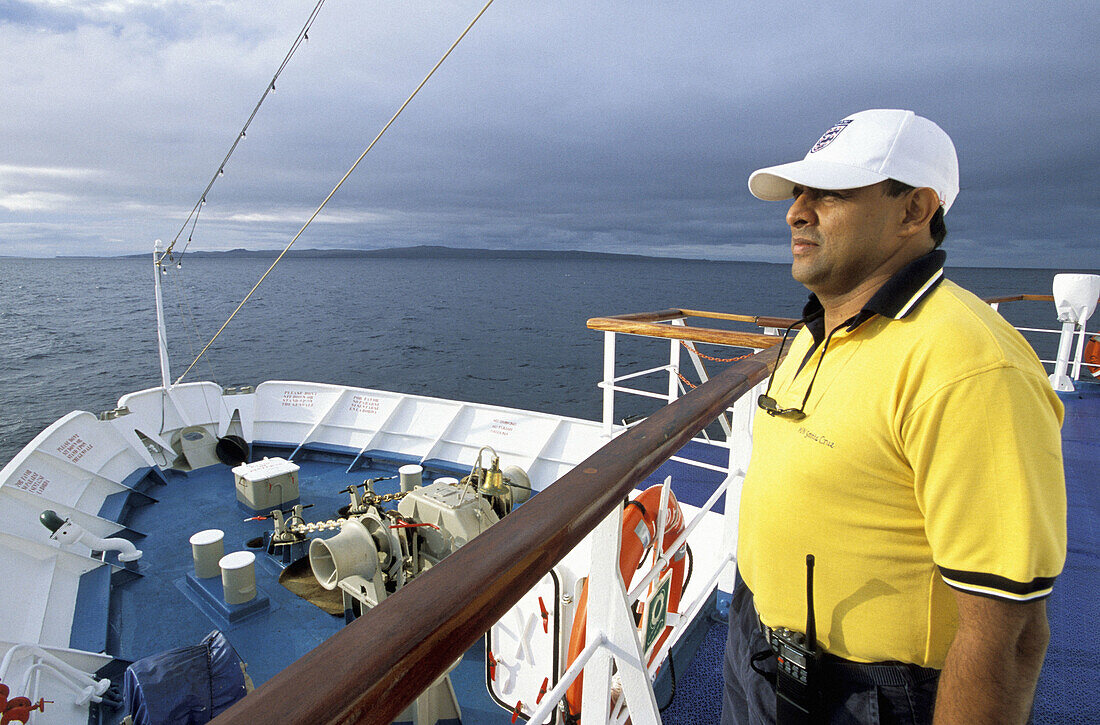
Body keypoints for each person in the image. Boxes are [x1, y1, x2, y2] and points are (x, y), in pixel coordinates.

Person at [722, 109, 1066, 724]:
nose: (796, 211)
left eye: (829, 193)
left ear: (914, 210)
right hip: (761, 652)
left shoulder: (971, 367)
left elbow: (1009, 635)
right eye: (800, 192)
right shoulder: (815, 333)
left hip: (871, 696)